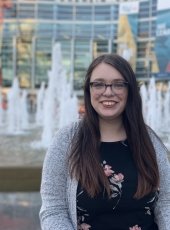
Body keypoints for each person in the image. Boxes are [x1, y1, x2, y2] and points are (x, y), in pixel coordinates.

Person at [39, 54, 170, 230]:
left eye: (118, 84)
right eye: (99, 84)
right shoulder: (66, 140)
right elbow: (53, 210)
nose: (108, 92)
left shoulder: (149, 140)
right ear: (89, 90)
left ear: (129, 90)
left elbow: (166, 203)